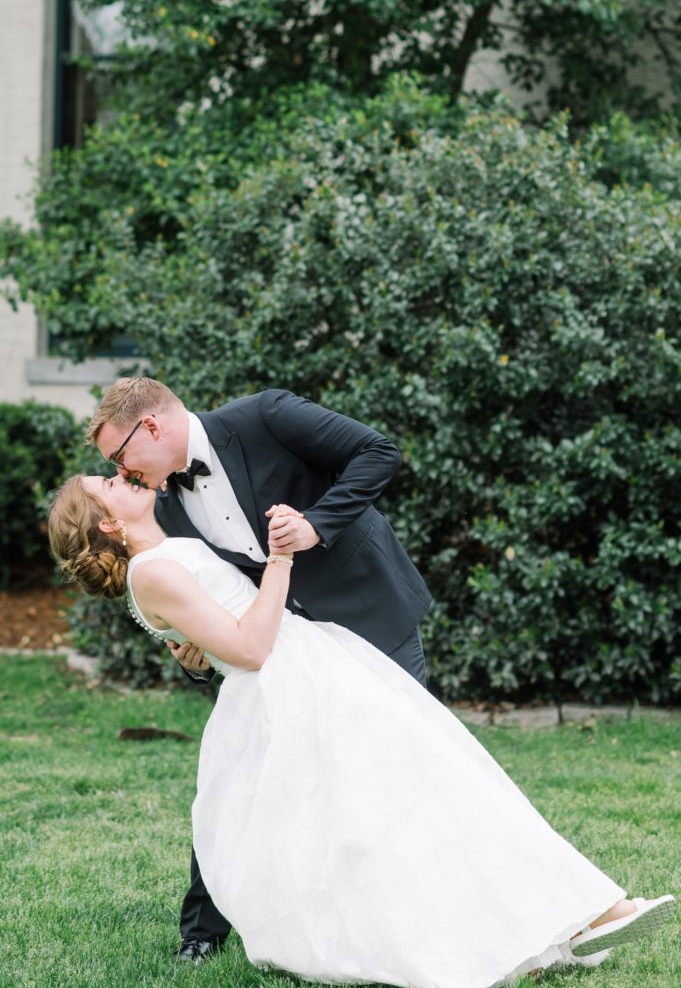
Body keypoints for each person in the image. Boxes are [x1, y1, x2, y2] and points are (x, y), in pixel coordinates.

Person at [48, 473, 675, 988]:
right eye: (108, 482)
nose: (122, 477)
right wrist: (282, 561)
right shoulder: (150, 571)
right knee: (418, 803)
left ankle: (571, 915)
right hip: (289, 688)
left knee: (431, 797)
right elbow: (252, 648)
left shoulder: (168, 547)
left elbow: (219, 632)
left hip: (317, 671)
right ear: (108, 522)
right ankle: (569, 916)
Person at [86, 377, 432, 962]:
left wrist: (318, 523)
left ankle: (418, 911)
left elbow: (378, 452)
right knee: (241, 776)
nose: (124, 473)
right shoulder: (162, 507)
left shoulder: (264, 415)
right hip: (279, 654)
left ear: (150, 427)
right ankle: (202, 933)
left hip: (369, 613)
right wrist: (191, 655)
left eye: (119, 458)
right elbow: (197, 602)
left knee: (411, 766)